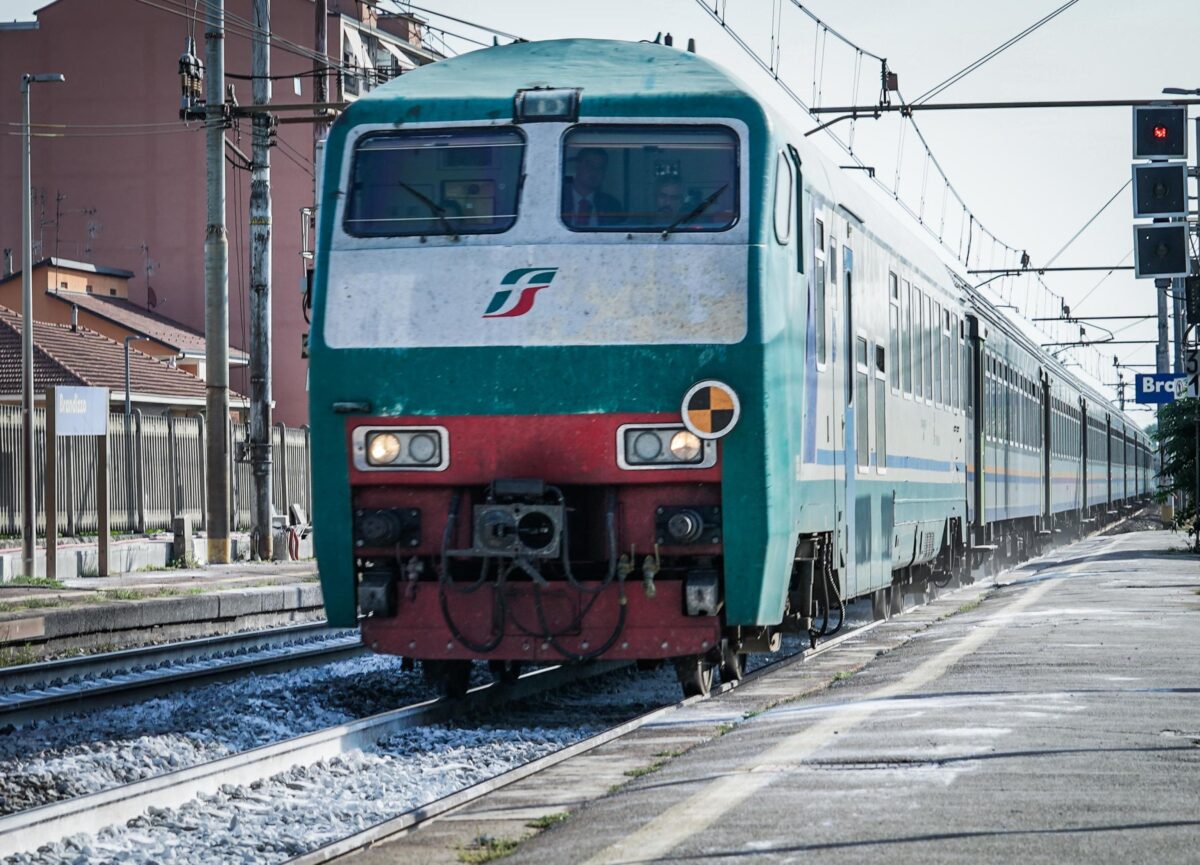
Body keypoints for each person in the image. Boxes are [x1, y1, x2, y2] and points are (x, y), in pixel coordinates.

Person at [562, 147, 624, 227]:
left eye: (601, 168)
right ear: (577, 166)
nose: (595, 171)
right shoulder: (559, 199)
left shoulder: (612, 205)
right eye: (590, 165)